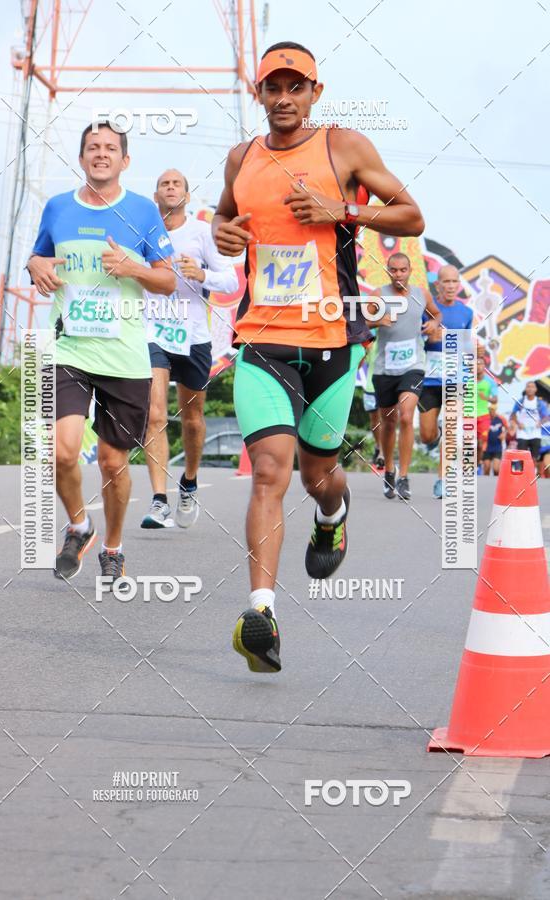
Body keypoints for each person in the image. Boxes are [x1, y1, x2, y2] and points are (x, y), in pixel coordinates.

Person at [212, 41, 425, 673]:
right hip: (262, 340)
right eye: (272, 88)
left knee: (316, 475)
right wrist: (225, 235)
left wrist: (344, 211)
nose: (284, 98)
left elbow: (411, 216)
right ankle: (261, 614)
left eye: (295, 87)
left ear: (314, 93)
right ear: (259, 95)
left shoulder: (344, 148)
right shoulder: (239, 159)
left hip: (333, 343)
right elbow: (229, 225)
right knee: (272, 473)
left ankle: (333, 513)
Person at [27, 121, 175, 582]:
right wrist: (34, 265)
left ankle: (113, 546)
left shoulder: (143, 211)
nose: (101, 153)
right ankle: (78, 525)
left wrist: (134, 266)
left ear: (124, 161)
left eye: (111, 147)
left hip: (126, 356)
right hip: (70, 349)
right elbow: (38, 256)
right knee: (61, 452)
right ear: (82, 157)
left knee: (113, 462)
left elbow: (168, 280)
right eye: (93, 146)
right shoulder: (57, 208)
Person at [141, 169, 237, 529]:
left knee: (193, 419)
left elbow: (229, 278)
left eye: (176, 183)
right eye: (163, 183)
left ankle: (190, 481)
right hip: (153, 331)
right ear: (156, 194)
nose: (169, 187)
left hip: (194, 335)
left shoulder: (201, 232)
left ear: (186, 194)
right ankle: (159, 500)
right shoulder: (144, 231)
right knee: (154, 415)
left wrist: (202, 274)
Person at [371, 253, 441, 501]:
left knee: (407, 416)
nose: (398, 274)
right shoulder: (379, 295)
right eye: (394, 270)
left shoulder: (421, 294)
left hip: (413, 365)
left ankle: (403, 476)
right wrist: (378, 320)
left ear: (410, 270)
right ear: (387, 270)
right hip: (384, 369)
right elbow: (362, 320)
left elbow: (436, 314)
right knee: (388, 423)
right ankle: (389, 470)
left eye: (403, 270)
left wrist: (433, 325)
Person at [418, 265, 473, 498]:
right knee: (426, 436)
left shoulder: (466, 313)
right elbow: (416, 341)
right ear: (438, 284)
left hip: (455, 379)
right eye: (446, 282)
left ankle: (443, 479)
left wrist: (471, 369)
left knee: (451, 428)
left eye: (454, 282)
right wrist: (428, 336)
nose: (450, 286)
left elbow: (467, 345)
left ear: (458, 285)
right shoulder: (429, 310)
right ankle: (435, 438)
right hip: (429, 380)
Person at [510, 380, 548, 462]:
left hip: (535, 433)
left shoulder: (539, 403)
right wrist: (518, 423)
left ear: (535, 389)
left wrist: (540, 422)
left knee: (534, 457)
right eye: (528, 387)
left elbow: (547, 417)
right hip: (522, 433)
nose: (530, 389)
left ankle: (532, 473)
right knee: (521, 457)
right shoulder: (520, 402)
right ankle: (523, 474)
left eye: (532, 387)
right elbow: (512, 415)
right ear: (525, 389)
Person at [362, 334, 384, 469]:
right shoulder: (371, 339)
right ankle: (378, 445)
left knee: (385, 420)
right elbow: (365, 360)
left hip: (386, 386)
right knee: (374, 421)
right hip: (370, 386)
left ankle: (382, 452)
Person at [476, 356, 498, 466]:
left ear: (484, 366)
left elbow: (495, 400)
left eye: (480, 364)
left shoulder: (490, 382)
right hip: (467, 416)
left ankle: (476, 464)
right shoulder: (465, 380)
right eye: (475, 364)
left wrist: (486, 398)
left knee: (480, 444)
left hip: (483, 416)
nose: (478, 366)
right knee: (467, 443)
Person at [482, 398, 506, 475]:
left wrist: (503, 434)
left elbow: (507, 428)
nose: (491, 411)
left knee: (496, 469)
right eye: (490, 409)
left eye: (493, 409)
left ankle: (497, 483)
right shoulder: (484, 419)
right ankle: (486, 485)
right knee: (486, 468)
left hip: (497, 447)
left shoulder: (501, 418)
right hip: (487, 447)